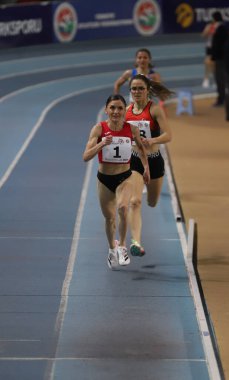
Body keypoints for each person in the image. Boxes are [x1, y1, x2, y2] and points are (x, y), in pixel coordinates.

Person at [82, 94, 150, 269]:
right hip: (104, 179)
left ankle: (122, 247)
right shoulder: (99, 129)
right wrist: (101, 144)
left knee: (123, 208)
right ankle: (112, 248)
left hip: (124, 177)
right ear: (106, 110)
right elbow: (86, 156)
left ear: (124, 110)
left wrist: (146, 168)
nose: (116, 111)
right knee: (109, 218)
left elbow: (142, 150)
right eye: (112, 107)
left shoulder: (132, 129)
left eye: (120, 108)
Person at [125, 74, 172, 256]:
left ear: (147, 90)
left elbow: (168, 135)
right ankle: (136, 242)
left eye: (140, 88)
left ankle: (151, 197)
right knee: (135, 201)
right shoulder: (127, 111)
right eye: (134, 89)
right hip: (135, 160)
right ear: (130, 92)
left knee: (152, 202)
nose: (137, 92)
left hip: (154, 160)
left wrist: (152, 139)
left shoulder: (154, 110)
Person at [211, 11, 229, 107]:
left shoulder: (220, 29)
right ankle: (224, 98)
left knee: (220, 79)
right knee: (222, 79)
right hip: (221, 58)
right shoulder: (222, 28)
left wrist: (214, 57)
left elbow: (218, 45)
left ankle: (221, 99)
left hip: (220, 58)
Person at [201, 20, 216, 88]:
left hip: (217, 47)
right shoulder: (209, 26)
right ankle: (206, 79)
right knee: (207, 63)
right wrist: (207, 29)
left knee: (214, 65)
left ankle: (215, 80)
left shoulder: (218, 27)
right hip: (209, 47)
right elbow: (203, 35)